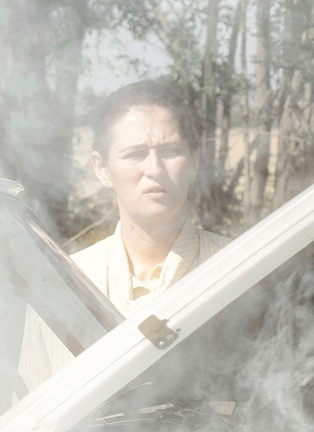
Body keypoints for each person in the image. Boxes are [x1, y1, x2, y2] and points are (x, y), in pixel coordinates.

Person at [72, 81, 228, 315]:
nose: (155, 169)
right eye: (135, 154)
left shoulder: (237, 268)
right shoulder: (70, 284)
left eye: (170, 151)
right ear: (102, 168)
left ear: (194, 161)